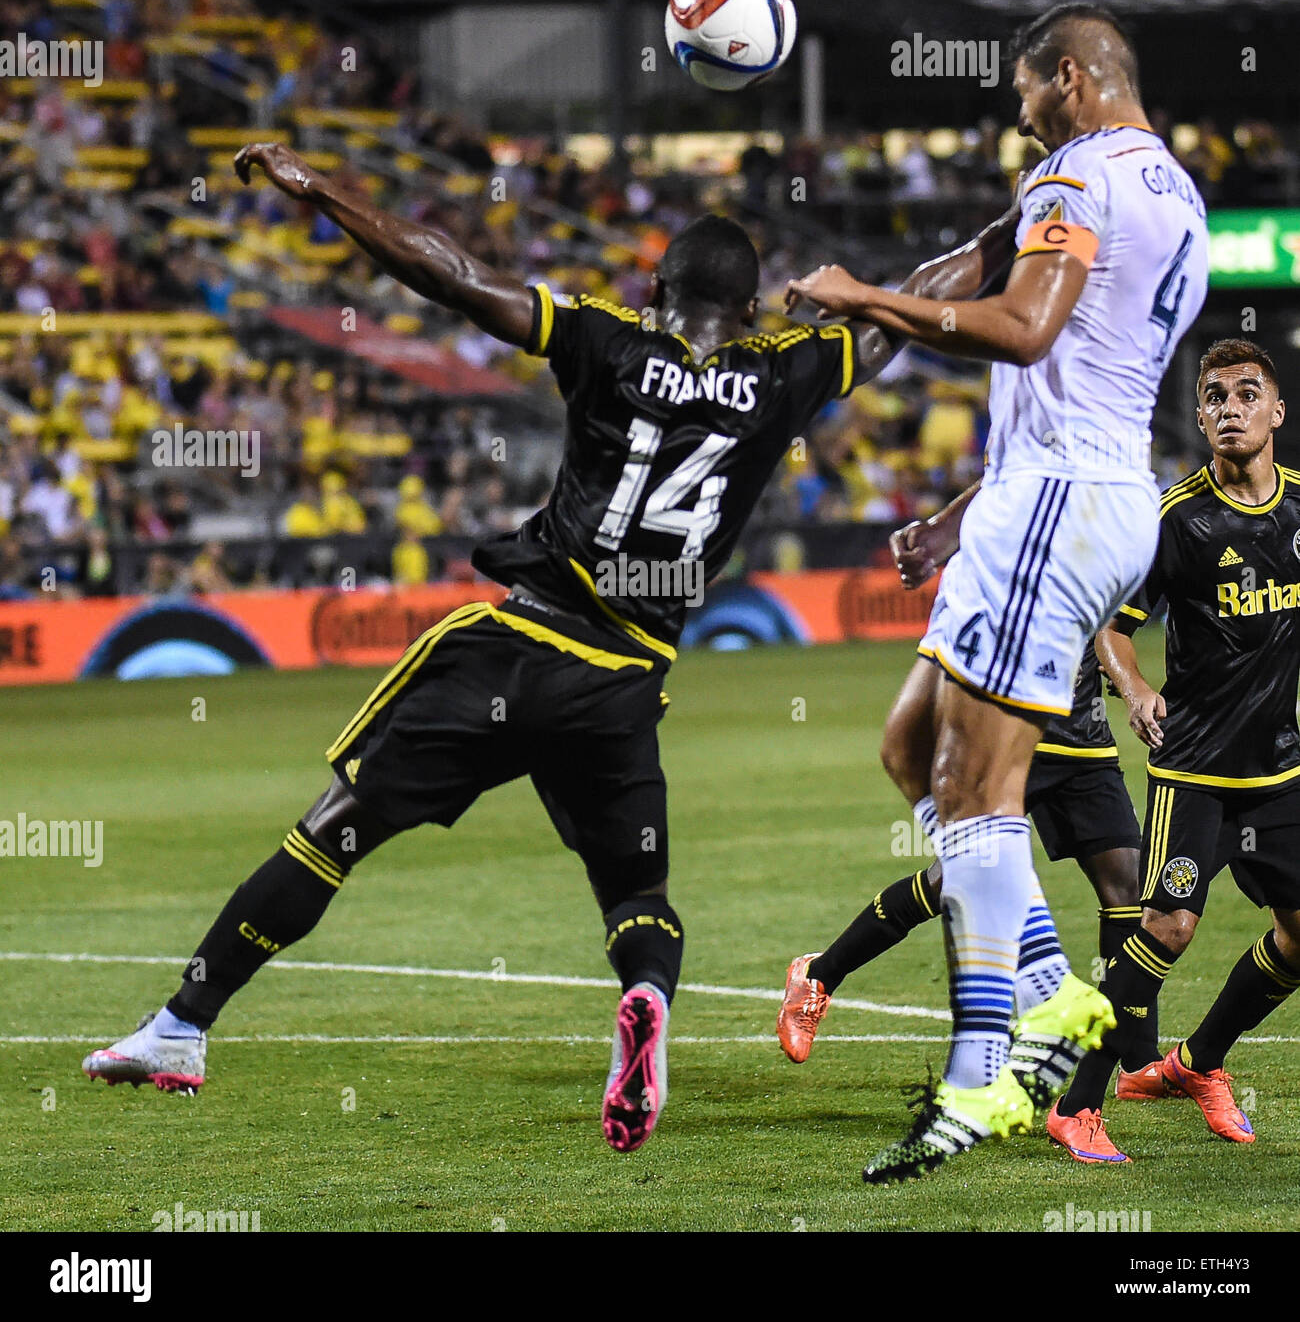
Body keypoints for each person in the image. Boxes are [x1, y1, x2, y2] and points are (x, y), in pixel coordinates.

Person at [83, 138, 1020, 1154]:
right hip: (622, 684)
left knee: (331, 832)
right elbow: (915, 299)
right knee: (635, 893)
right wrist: (1018, 225)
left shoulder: (607, 340)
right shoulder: (789, 370)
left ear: (654, 288)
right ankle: (646, 999)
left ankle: (180, 1028)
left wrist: (329, 193)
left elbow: (451, 272)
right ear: (753, 311)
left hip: (516, 642)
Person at [784, 2, 1209, 1182]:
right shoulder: (1169, 186)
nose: (1016, 116)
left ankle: (984, 1073)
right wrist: (863, 335)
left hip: (1060, 506)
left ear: (1068, 80)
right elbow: (990, 278)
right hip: (1071, 491)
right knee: (911, 747)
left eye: (1023, 94)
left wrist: (866, 298)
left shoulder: (1072, 172)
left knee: (977, 781)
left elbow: (1025, 331)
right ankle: (1044, 989)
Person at [777, 484, 1155, 1144]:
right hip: (998, 729)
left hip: (1081, 738)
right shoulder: (995, 526)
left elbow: (1106, 622)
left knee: (1128, 886)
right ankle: (819, 973)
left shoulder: (1100, 508)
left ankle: (1118, 1069)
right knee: (958, 884)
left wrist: (1131, 686)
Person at [1054, 339, 1300, 1161]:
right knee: (1167, 926)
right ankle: (1078, 1105)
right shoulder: (1176, 518)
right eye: (1215, 398)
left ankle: (1196, 1064)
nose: (1230, 408)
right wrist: (1133, 688)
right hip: (1195, 770)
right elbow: (1112, 628)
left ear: (1276, 412)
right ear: (1199, 420)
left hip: (1281, 771)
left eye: (1246, 393)